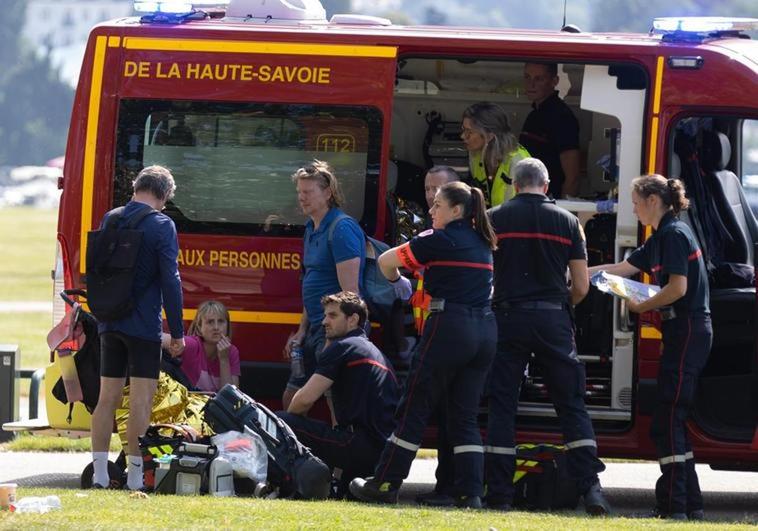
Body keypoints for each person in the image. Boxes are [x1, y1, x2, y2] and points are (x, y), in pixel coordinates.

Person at [350, 181, 498, 508]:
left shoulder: (438, 239)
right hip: (485, 331)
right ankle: (469, 491)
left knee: (413, 407)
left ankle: (385, 482)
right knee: (464, 416)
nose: (430, 210)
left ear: (456, 211)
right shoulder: (482, 241)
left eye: (438, 206)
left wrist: (399, 284)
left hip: (449, 327)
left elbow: (387, 262)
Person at [485, 158, 610, 514]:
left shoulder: (493, 218)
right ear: (547, 183)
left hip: (507, 318)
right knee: (571, 405)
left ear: (514, 184)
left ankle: (499, 494)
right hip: (553, 320)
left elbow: (486, 275)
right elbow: (582, 286)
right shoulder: (568, 222)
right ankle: (591, 490)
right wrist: (558, 304)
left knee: (502, 403)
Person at [589, 174, 710, 521]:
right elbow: (622, 269)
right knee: (672, 418)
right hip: (682, 332)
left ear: (653, 201)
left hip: (688, 329)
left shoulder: (673, 235)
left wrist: (642, 306)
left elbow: (677, 289)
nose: (634, 208)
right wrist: (578, 273)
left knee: (668, 417)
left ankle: (675, 506)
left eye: (636, 202)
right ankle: (690, 504)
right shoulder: (661, 236)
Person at [90, 165, 185, 491]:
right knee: (141, 401)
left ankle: (101, 474)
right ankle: (134, 476)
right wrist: (178, 331)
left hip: (108, 321)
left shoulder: (110, 218)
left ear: (136, 188)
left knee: (107, 399)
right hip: (143, 326)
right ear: (164, 195)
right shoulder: (162, 225)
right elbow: (171, 282)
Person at [277, 291, 400, 494]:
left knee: (282, 421)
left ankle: (285, 484)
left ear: (353, 319)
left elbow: (302, 402)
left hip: (359, 446)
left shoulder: (343, 347)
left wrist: (290, 427)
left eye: (333, 316)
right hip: (381, 454)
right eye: (325, 315)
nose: (325, 321)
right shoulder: (374, 351)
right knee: (345, 494)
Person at [282, 160, 365, 410]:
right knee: (292, 397)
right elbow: (312, 283)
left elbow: (350, 295)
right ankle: (292, 449)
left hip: (335, 330)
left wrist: (335, 339)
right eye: (299, 192)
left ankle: (341, 445)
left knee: (335, 400)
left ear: (328, 192)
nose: (302, 198)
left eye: (308, 192)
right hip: (316, 328)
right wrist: (301, 329)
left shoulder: (341, 228)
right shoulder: (311, 228)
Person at [414, 165, 461, 507]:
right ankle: (450, 485)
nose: (430, 196)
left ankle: (449, 486)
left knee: (449, 417)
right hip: (432, 334)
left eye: (438, 190)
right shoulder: (436, 231)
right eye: (428, 189)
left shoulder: (450, 237)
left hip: (447, 339)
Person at [519, 62, 581, 198]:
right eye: (527, 77)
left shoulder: (561, 117)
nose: (531, 84)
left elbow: (573, 176)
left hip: (549, 200)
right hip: (529, 198)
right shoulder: (534, 115)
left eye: (539, 79)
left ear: (554, 81)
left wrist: (562, 209)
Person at [161, 300, 240, 392]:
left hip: (216, 406)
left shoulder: (231, 352)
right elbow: (158, 338)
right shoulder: (193, 345)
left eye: (221, 321)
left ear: (227, 326)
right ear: (199, 328)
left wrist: (224, 360)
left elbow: (231, 398)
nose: (216, 327)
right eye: (210, 322)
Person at [462, 102, 530, 207]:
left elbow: (529, 208)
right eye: (463, 130)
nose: (463, 136)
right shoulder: (475, 155)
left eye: (469, 132)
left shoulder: (519, 163)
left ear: (489, 136)